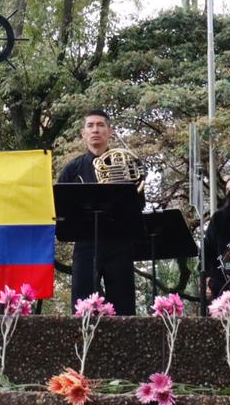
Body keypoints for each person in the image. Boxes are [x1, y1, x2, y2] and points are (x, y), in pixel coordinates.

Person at [58, 110, 139, 315]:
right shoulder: (72, 169)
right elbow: (61, 207)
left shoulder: (127, 164)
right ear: (83, 133)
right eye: (90, 125)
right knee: (82, 304)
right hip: (86, 243)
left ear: (109, 131)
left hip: (119, 241)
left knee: (124, 308)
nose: (95, 130)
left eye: (101, 125)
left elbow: (138, 203)